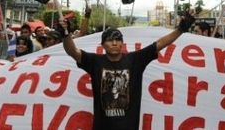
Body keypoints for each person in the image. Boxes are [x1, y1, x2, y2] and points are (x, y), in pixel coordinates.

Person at [58, 12, 194, 130]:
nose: (115, 43)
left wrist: (180, 29)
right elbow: (72, 51)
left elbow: (160, 44)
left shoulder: (136, 59)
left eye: (118, 39)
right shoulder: (95, 61)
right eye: (110, 40)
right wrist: (65, 34)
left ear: (122, 43)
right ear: (103, 45)